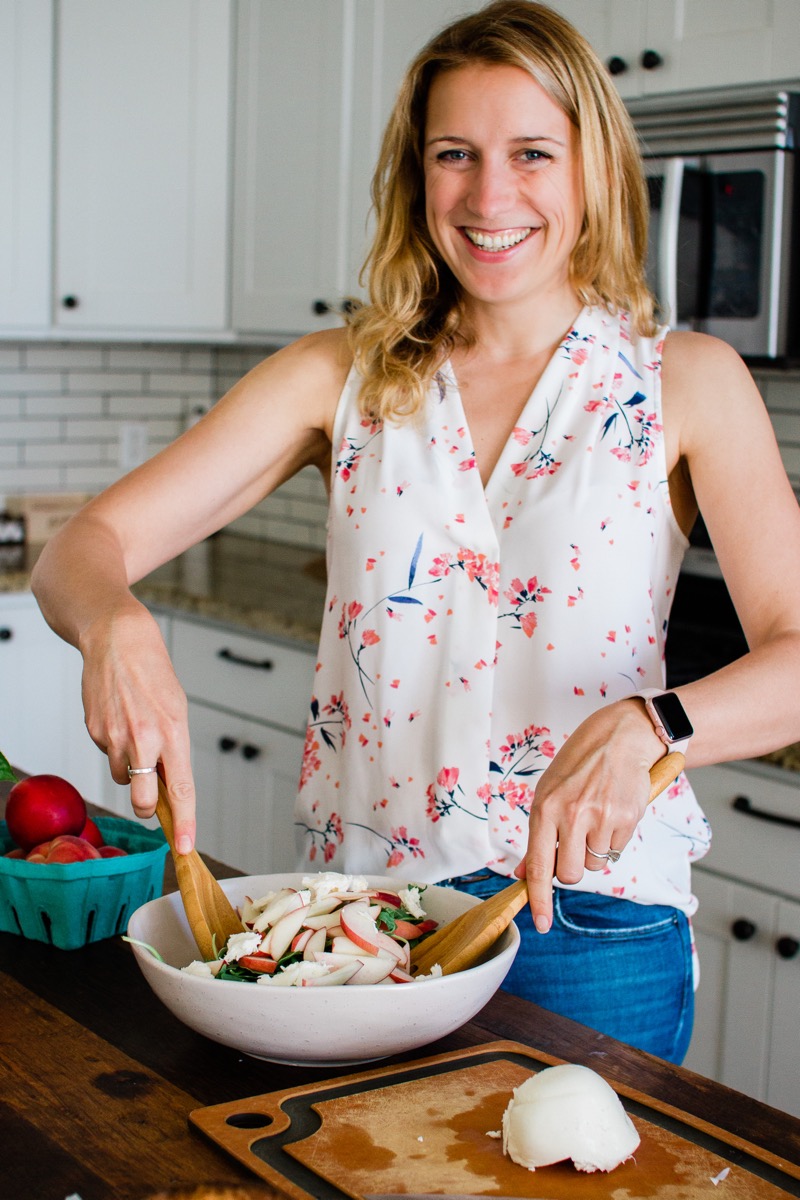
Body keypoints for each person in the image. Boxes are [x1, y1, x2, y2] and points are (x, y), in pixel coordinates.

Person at [32, 1, 800, 1064]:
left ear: (592, 171)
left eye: (531, 153)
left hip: (588, 921)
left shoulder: (684, 383)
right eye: (455, 155)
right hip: (363, 921)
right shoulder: (339, 375)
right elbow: (82, 547)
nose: (490, 197)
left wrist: (653, 726)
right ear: (415, 176)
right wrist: (113, 623)